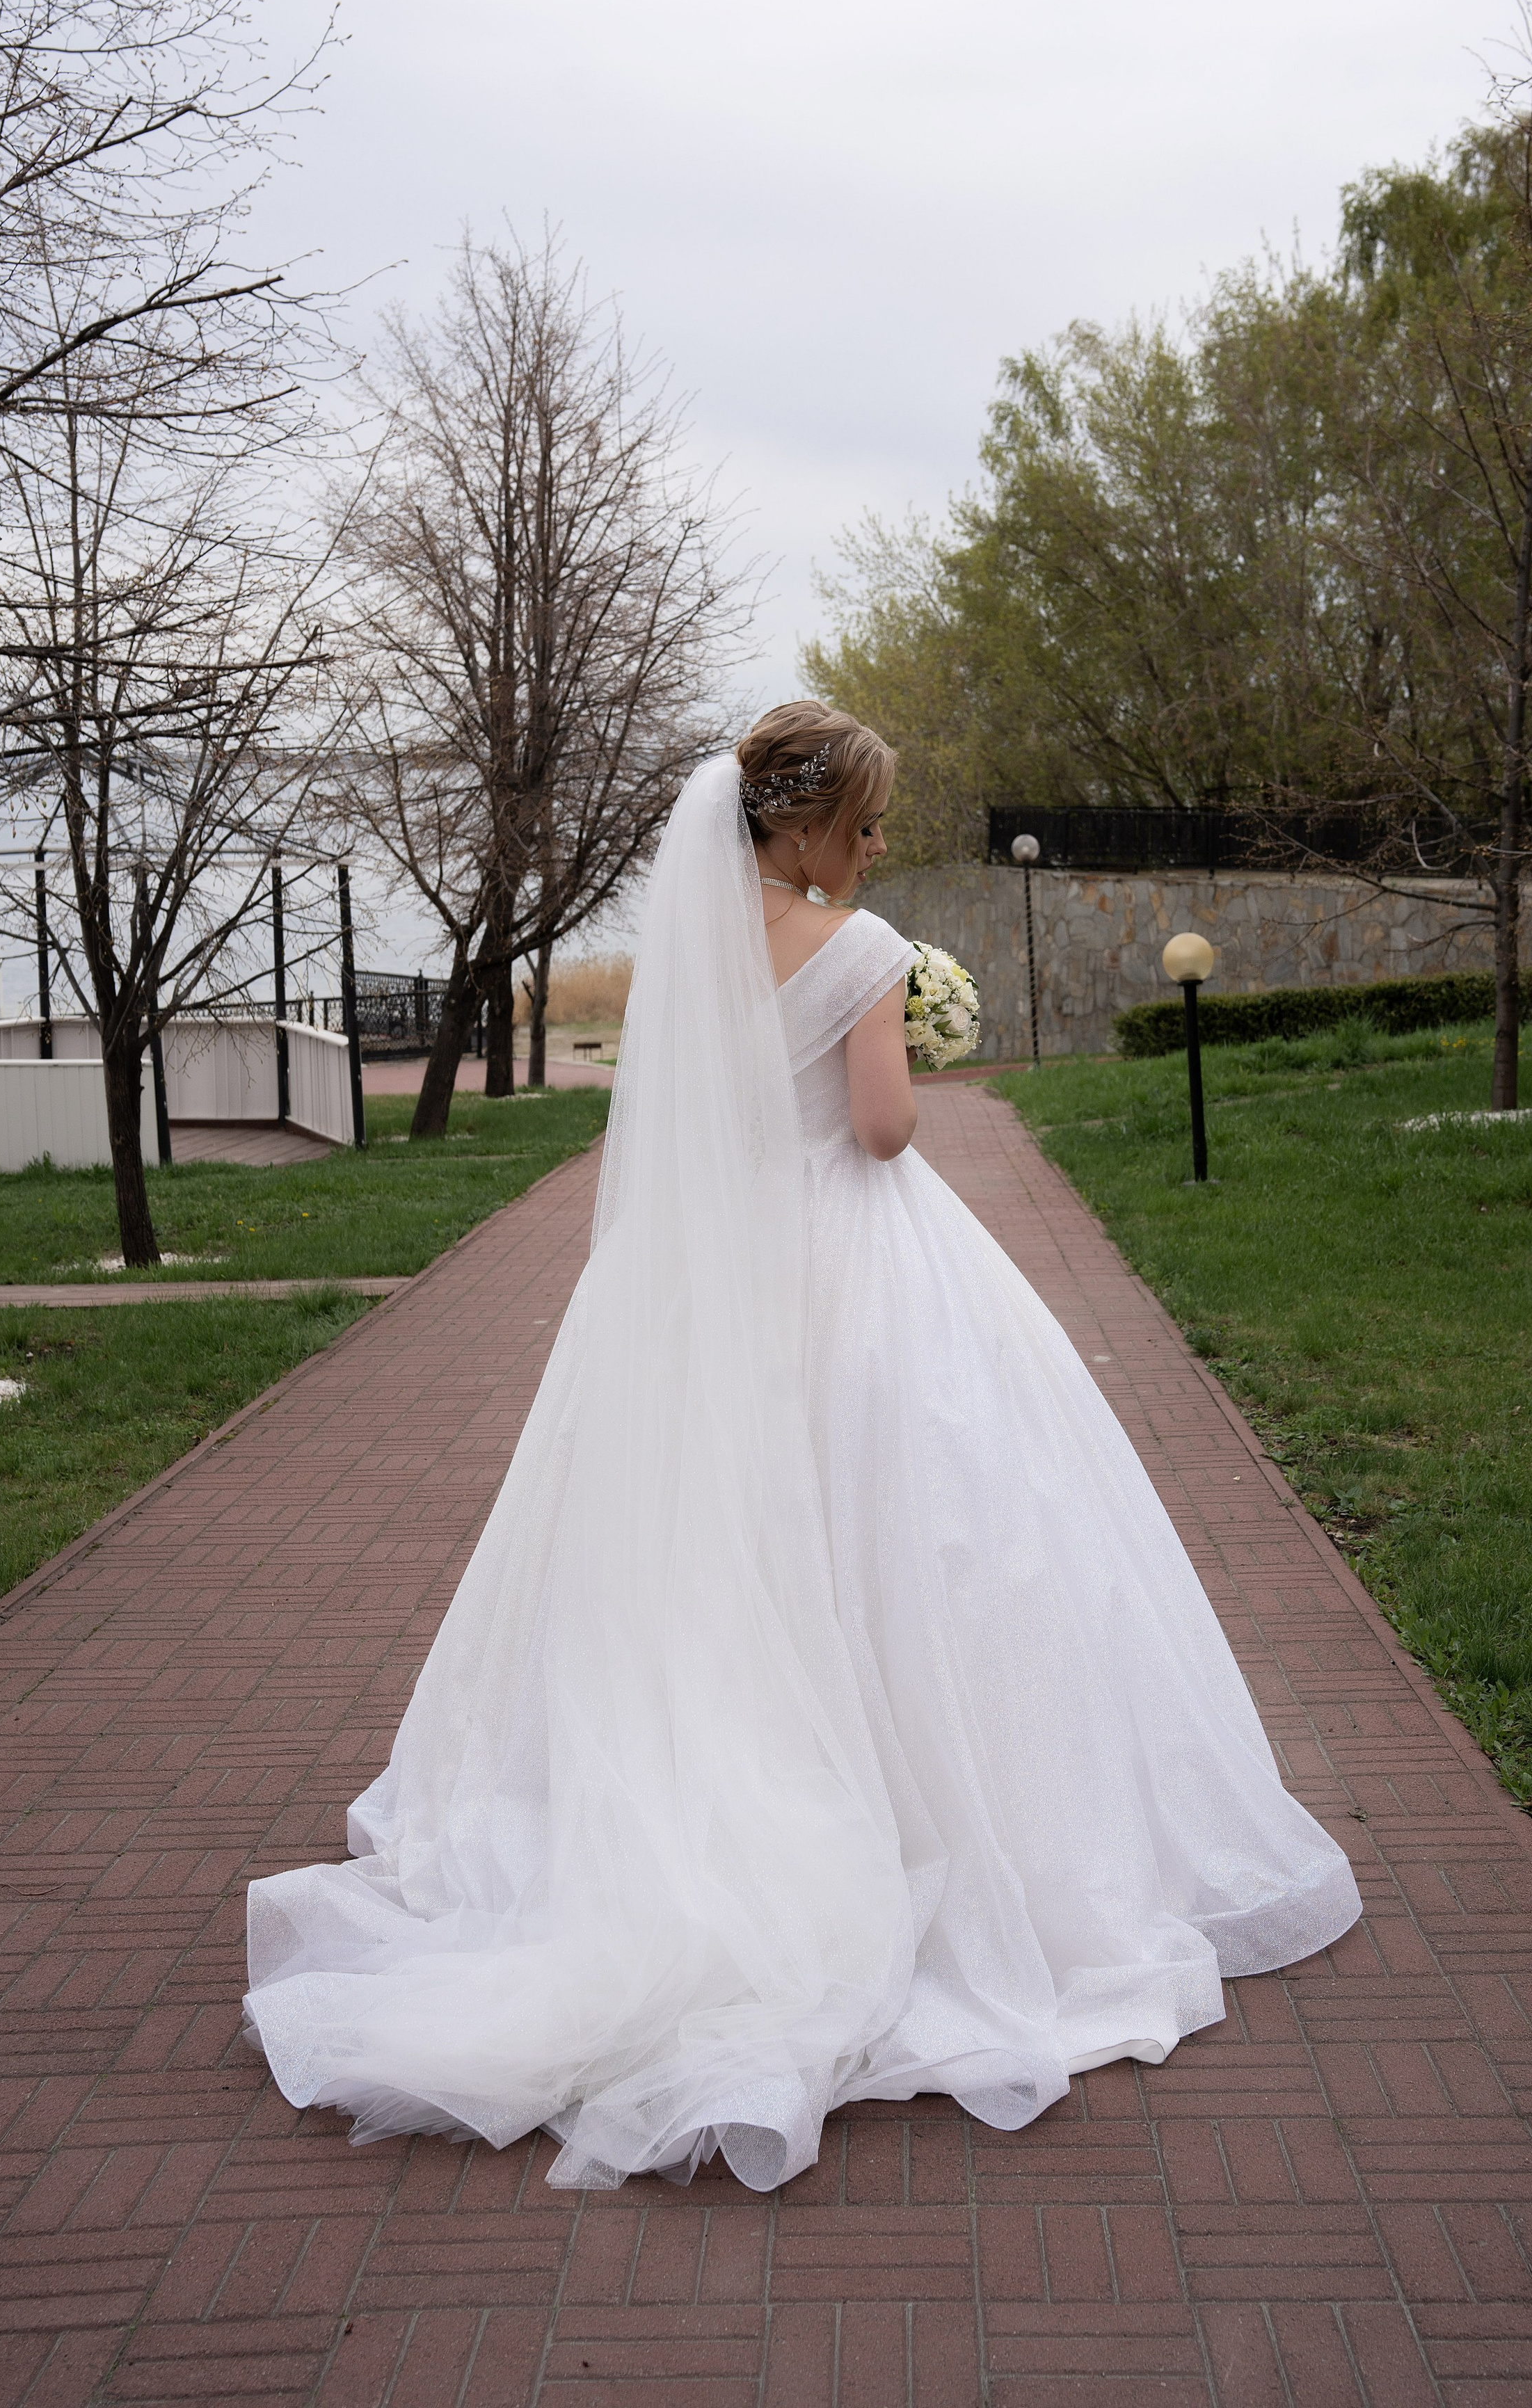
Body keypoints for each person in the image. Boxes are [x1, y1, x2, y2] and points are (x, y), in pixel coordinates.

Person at [244, 703, 1360, 2192]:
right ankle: (928, 1815)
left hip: (702, 1281)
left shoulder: (687, 952)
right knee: (908, 1521)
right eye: (869, 822)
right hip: (851, 1261)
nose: (879, 846)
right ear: (810, 823)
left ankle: (703, 1808)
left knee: (710, 1547)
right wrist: (901, 1033)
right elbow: (883, 1131)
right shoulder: (862, 947)